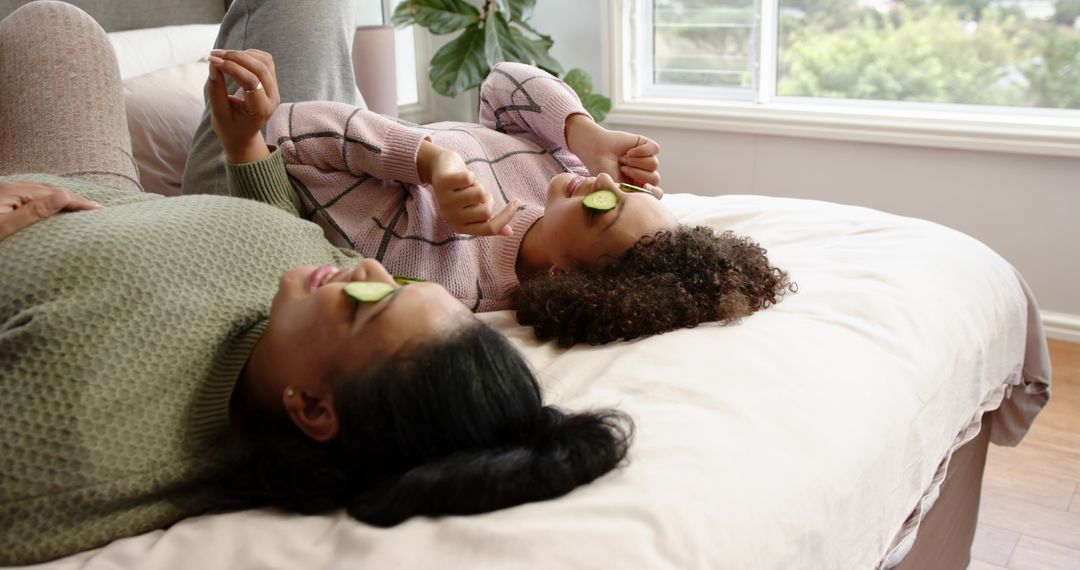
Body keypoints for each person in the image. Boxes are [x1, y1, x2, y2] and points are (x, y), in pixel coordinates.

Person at [0, 2, 631, 565]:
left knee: (53, 26)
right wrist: (245, 143)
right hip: (123, 198)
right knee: (58, 26)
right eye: (397, 281)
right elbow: (274, 232)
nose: (367, 269)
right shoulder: (294, 318)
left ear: (311, 408)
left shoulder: (71, 443)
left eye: (369, 302)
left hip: (36, 212)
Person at [188, 42, 794, 347]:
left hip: (251, 148)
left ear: (561, 276)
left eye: (605, 209)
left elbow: (294, 134)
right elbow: (502, 82)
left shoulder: (445, 272)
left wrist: (427, 165)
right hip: (352, 122)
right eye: (628, 188)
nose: (604, 184)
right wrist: (586, 134)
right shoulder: (560, 179)